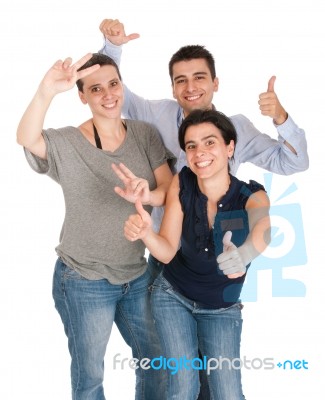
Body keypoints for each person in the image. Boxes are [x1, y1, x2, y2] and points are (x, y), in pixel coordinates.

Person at [98, 18, 308, 399]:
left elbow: (288, 173)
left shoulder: (240, 138)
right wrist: (112, 49)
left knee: (217, 379)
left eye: (199, 78)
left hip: (219, 266)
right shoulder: (159, 119)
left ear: (215, 83)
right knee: (167, 369)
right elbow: (112, 93)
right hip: (166, 258)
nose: (190, 87)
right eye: (181, 80)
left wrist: (281, 118)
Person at [16, 52, 174, 400]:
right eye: (96, 88)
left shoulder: (144, 135)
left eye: (114, 84)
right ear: (82, 95)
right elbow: (26, 138)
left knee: (158, 361)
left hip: (135, 273)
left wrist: (148, 194)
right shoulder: (69, 142)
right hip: (83, 279)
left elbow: (167, 191)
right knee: (90, 378)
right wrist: (45, 90)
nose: (108, 94)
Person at [124, 109, 271, 400]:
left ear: (230, 148)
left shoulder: (251, 195)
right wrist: (146, 234)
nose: (199, 152)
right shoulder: (184, 182)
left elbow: (263, 231)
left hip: (221, 308)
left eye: (209, 142)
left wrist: (245, 254)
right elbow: (166, 252)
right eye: (191, 146)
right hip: (173, 297)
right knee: (183, 388)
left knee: (228, 393)